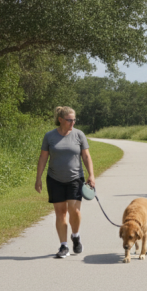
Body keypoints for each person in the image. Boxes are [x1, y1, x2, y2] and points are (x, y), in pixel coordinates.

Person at [35, 106, 95, 258]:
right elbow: (43, 158)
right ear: (60, 120)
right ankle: (64, 246)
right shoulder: (49, 136)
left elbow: (86, 156)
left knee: (74, 211)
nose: (72, 123)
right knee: (60, 213)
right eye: (69, 120)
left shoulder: (79, 135)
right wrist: (38, 178)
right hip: (55, 179)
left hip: (75, 178)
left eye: (74, 120)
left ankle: (75, 235)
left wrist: (91, 175)